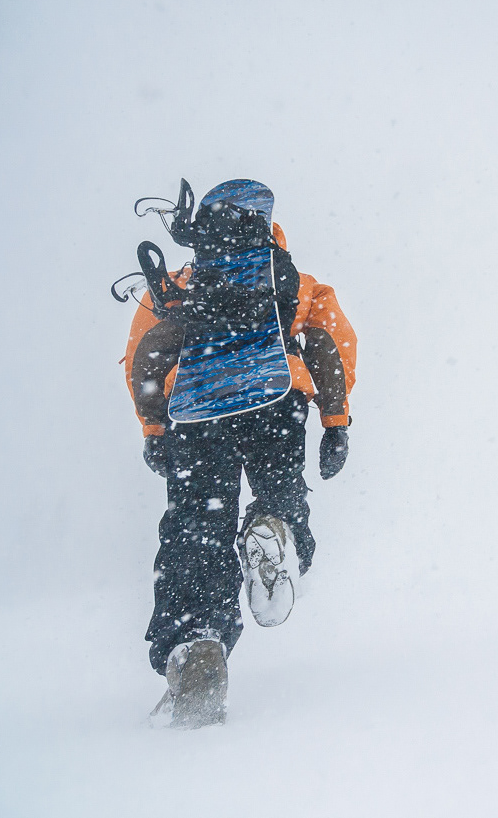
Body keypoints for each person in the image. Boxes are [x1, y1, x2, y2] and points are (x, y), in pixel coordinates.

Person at [122, 179, 356, 727]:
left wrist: (153, 427)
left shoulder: (183, 284)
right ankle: (275, 529)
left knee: (196, 529)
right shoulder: (292, 281)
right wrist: (336, 421)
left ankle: (196, 642)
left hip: (198, 414)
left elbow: (146, 353)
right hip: (278, 399)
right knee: (281, 492)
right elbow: (330, 342)